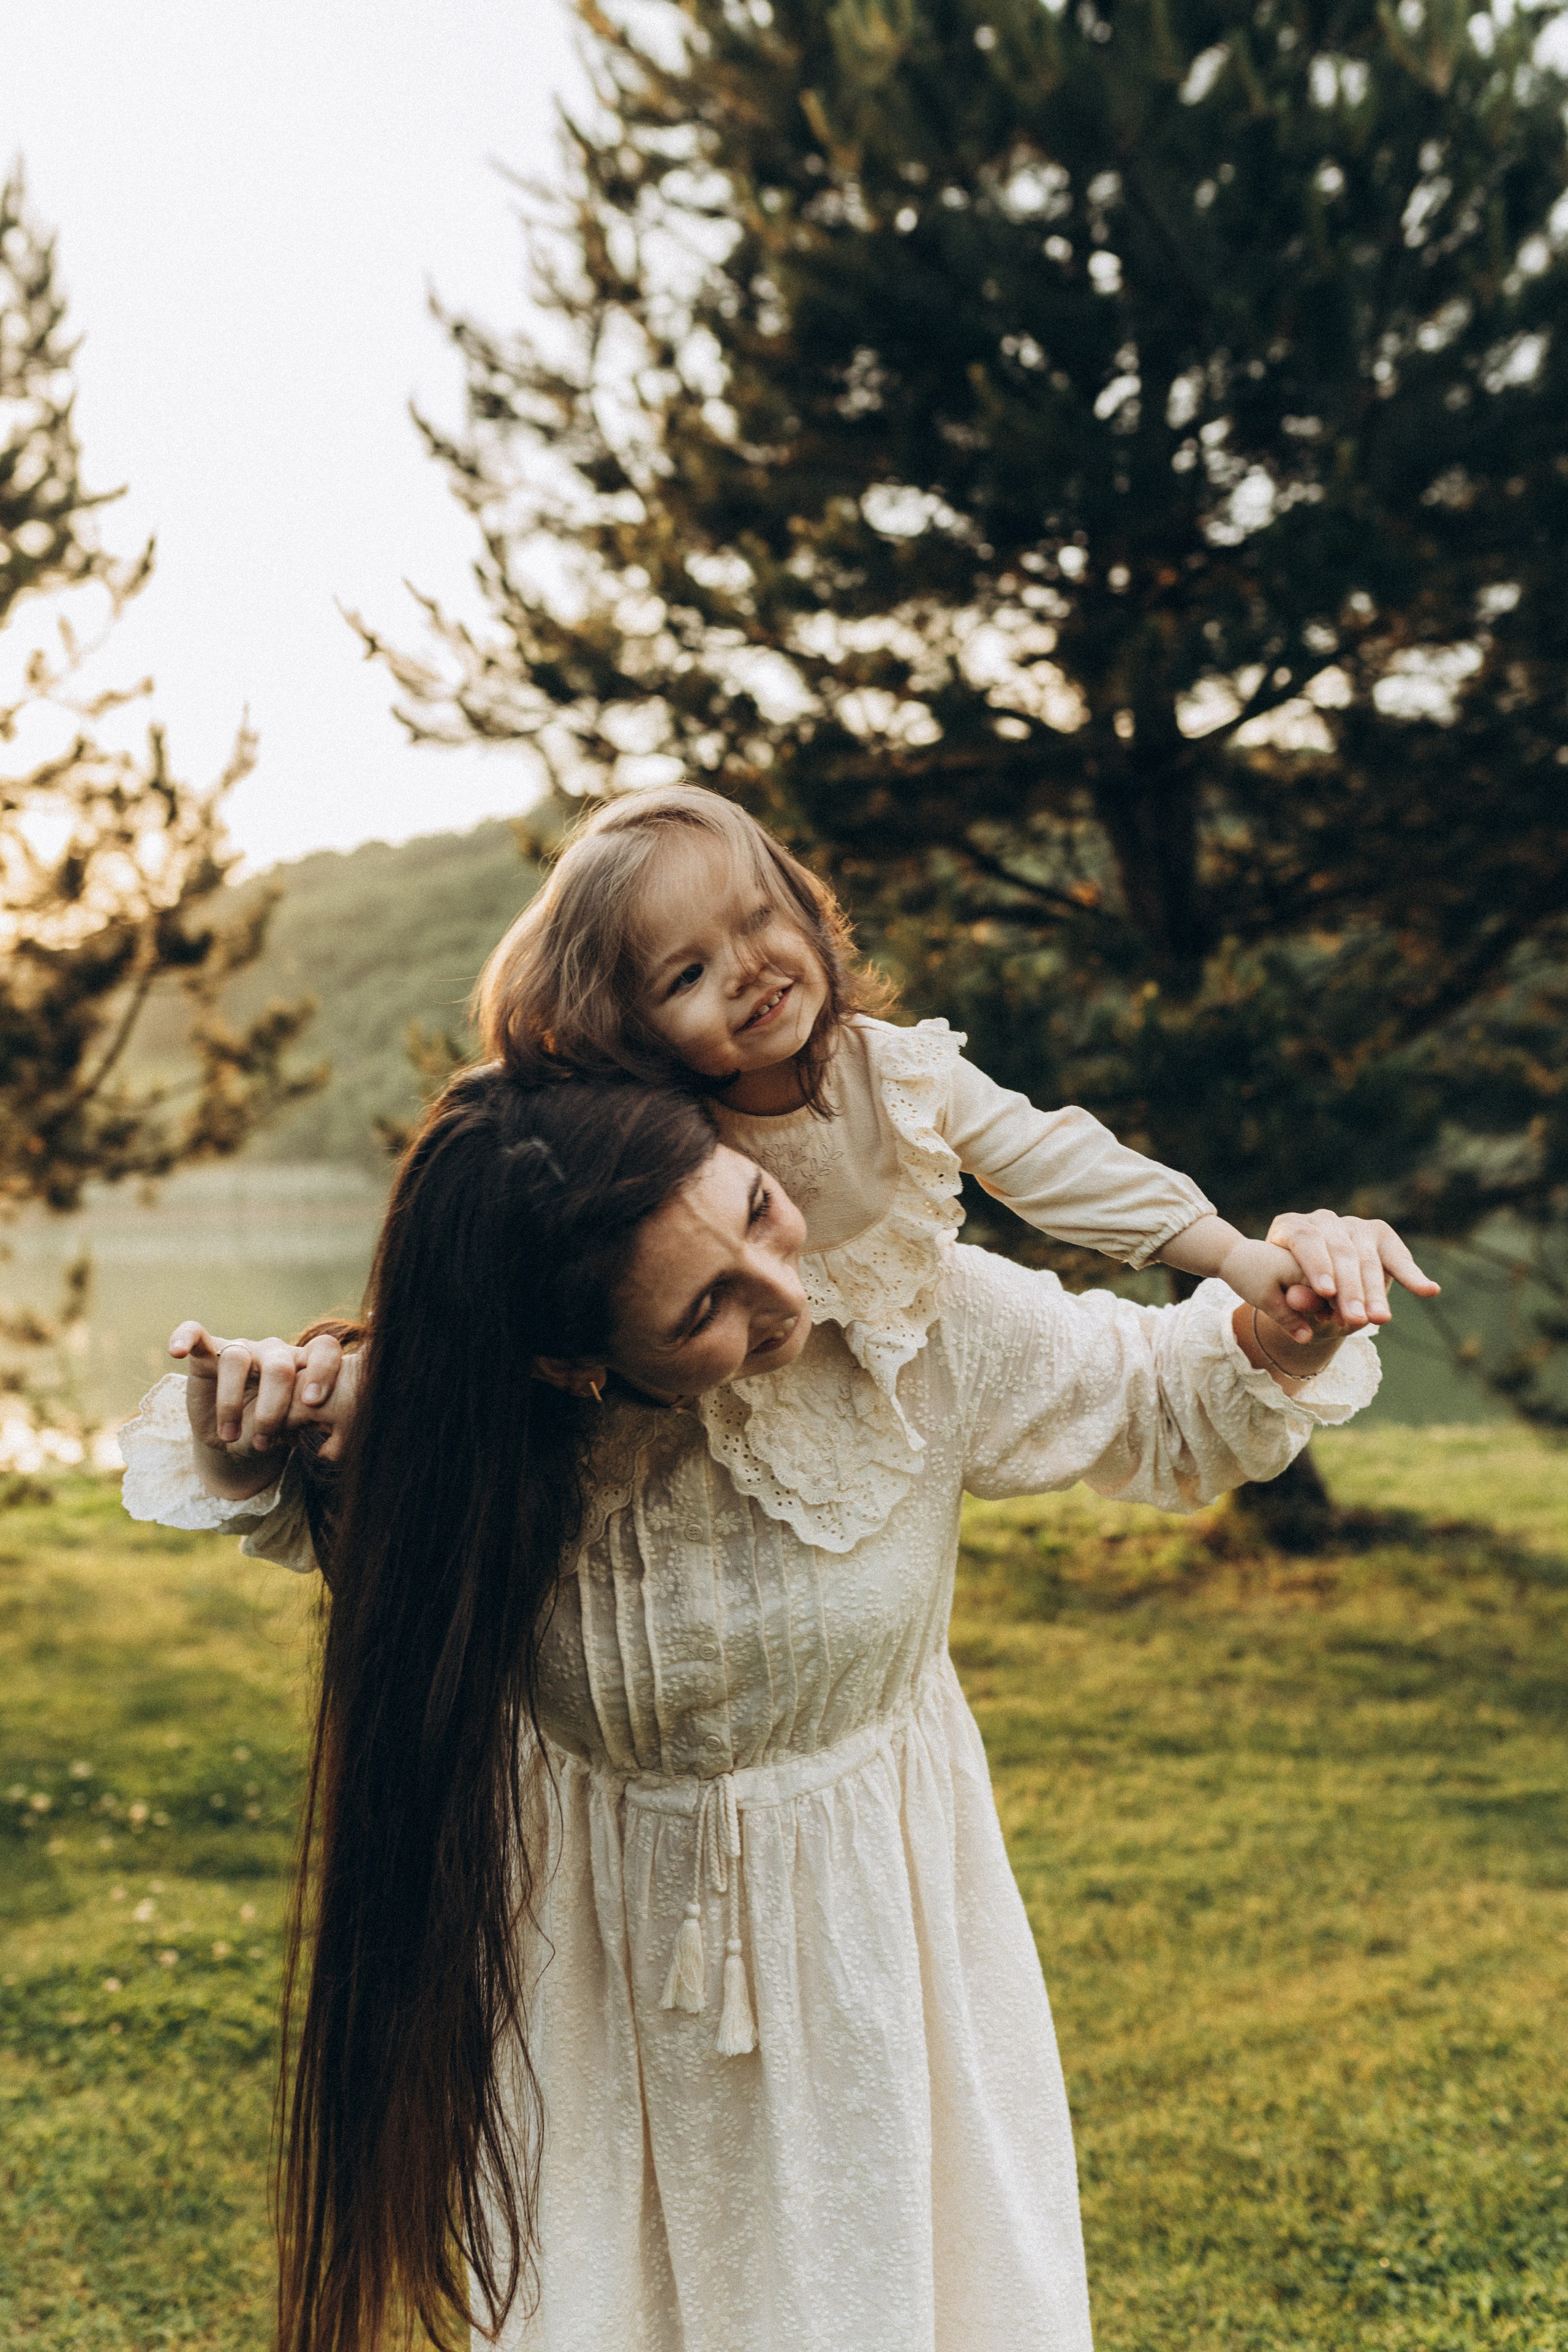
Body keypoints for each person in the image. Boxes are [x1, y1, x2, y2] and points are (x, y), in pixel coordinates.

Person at [119, 1063, 1428, 2352]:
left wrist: (1283, 1317)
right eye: (705, 1308)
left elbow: (1156, 1392)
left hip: (887, 1953)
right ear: (568, 1361)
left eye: (754, 1210)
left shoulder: (908, 1319)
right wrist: (258, 1446)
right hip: (599, 1998)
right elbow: (325, 1512)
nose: (785, 1296)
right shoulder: (477, 1434)